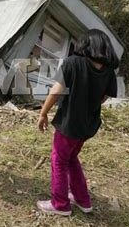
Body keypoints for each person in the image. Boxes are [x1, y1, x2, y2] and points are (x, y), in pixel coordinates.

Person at [36, 29, 119, 216]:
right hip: (88, 125)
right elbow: (104, 97)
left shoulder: (73, 63)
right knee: (71, 158)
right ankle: (83, 200)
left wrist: (43, 113)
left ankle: (60, 204)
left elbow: (56, 91)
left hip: (69, 123)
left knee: (58, 160)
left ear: (86, 45)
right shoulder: (108, 71)